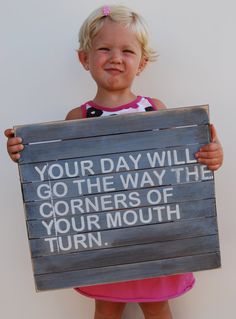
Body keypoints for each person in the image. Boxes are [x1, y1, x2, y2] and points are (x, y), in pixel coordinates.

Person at [4, 4, 223, 319]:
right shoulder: (76, 119)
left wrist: (214, 154)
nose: (116, 57)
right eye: (104, 49)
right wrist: (24, 153)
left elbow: (187, 162)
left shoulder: (156, 110)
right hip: (106, 242)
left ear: (142, 62)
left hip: (154, 234)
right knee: (106, 307)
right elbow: (56, 177)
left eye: (127, 51)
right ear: (85, 59)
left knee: (158, 306)